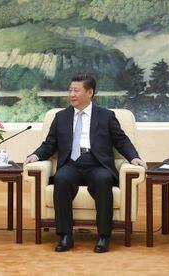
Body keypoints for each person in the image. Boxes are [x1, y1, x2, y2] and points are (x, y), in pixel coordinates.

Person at [24, 74, 147, 253]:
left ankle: (104, 236)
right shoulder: (61, 117)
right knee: (61, 179)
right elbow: (49, 144)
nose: (72, 94)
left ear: (90, 92)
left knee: (103, 180)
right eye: (70, 90)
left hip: (97, 164)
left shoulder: (106, 116)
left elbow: (121, 141)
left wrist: (134, 157)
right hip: (72, 164)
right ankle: (65, 235)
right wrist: (35, 155)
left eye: (76, 90)